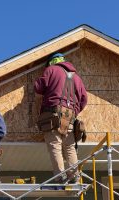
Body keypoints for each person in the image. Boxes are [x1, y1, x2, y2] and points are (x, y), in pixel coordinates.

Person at [34, 52, 88, 183]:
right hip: (70, 117)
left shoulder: (51, 70)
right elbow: (84, 99)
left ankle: (60, 176)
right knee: (69, 147)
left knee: (55, 145)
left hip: (52, 114)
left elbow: (38, 88)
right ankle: (75, 176)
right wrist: (74, 110)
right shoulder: (76, 77)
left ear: (52, 62)